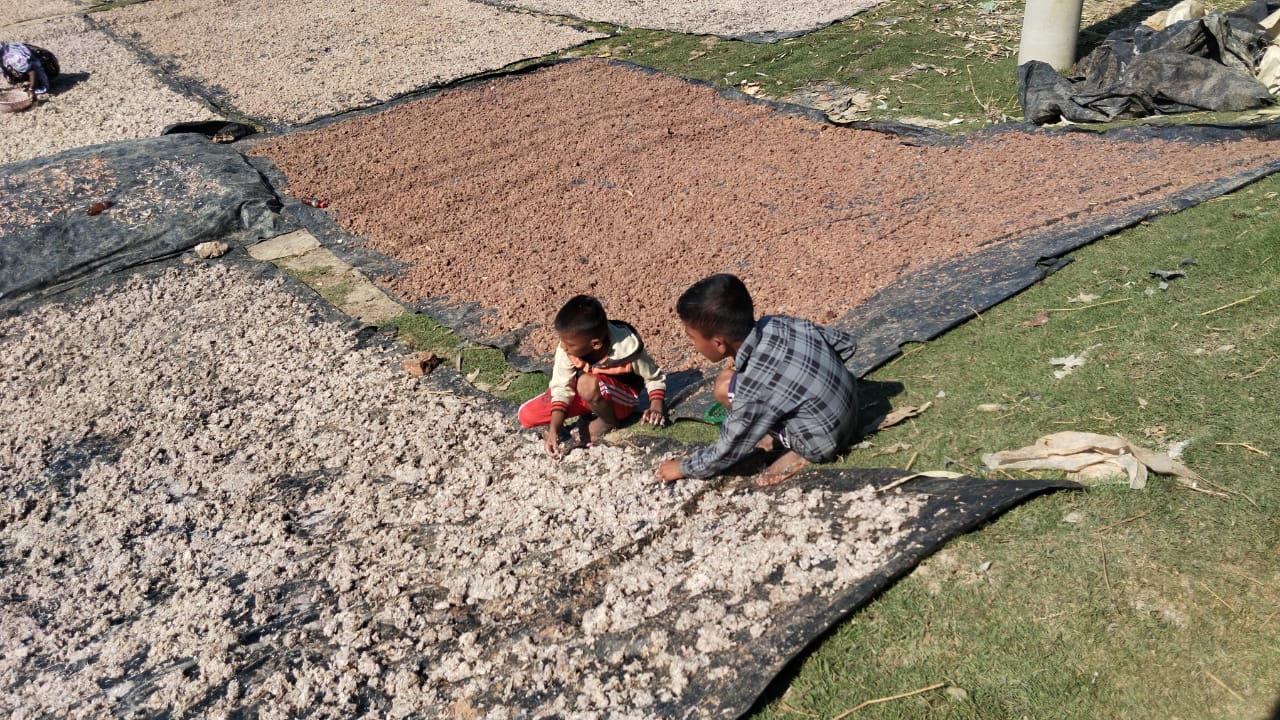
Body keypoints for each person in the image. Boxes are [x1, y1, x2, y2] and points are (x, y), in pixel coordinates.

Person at [657, 273, 860, 486]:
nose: (694, 345)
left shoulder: (753, 385)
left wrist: (682, 467)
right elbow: (847, 344)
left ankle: (798, 452)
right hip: (852, 404)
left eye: (692, 338)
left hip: (824, 442)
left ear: (719, 343)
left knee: (725, 387)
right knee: (739, 381)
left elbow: (728, 449)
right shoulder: (777, 322)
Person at [519, 294, 667, 458]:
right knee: (527, 415)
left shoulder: (627, 348)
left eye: (569, 344)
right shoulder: (567, 349)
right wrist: (554, 429)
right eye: (562, 340)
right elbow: (561, 389)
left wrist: (656, 406)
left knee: (586, 384)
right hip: (587, 393)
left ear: (595, 344)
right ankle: (581, 419)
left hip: (619, 398)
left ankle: (607, 422)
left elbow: (654, 377)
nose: (562, 346)